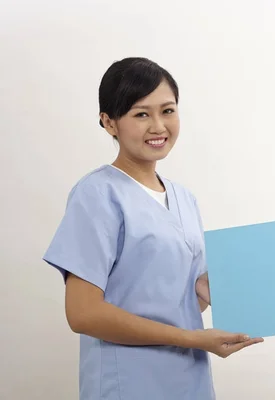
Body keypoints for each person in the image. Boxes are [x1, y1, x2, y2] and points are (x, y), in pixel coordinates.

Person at [43, 57, 263, 400]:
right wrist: (192, 337)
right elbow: (83, 313)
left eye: (168, 110)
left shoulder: (184, 199)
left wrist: (207, 291)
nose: (158, 126)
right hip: (129, 383)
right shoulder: (97, 195)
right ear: (109, 122)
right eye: (141, 114)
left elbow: (170, 298)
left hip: (189, 379)